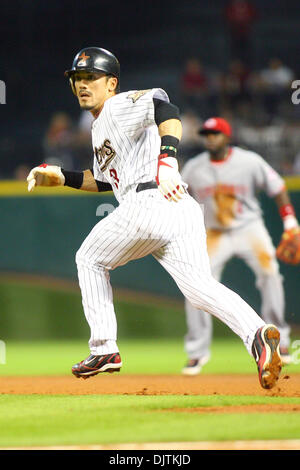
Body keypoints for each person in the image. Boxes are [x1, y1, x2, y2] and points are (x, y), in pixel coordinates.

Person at [27, 47, 282, 390]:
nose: (83, 85)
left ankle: (104, 348)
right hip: (178, 207)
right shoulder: (100, 124)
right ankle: (257, 335)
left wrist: (169, 160)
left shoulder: (118, 106)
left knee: (89, 259)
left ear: (112, 83)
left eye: (91, 77)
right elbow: (104, 181)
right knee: (200, 290)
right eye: (78, 79)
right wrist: (61, 176)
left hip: (149, 199)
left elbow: (166, 108)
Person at [181, 117, 299, 375]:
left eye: (215, 134)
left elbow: (278, 187)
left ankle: (281, 341)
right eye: (207, 134)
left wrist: (290, 221)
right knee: (195, 285)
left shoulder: (249, 161)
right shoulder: (193, 167)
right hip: (213, 232)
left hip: (249, 228)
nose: (210, 138)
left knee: (271, 275)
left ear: (227, 136)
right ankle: (197, 352)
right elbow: (179, 196)